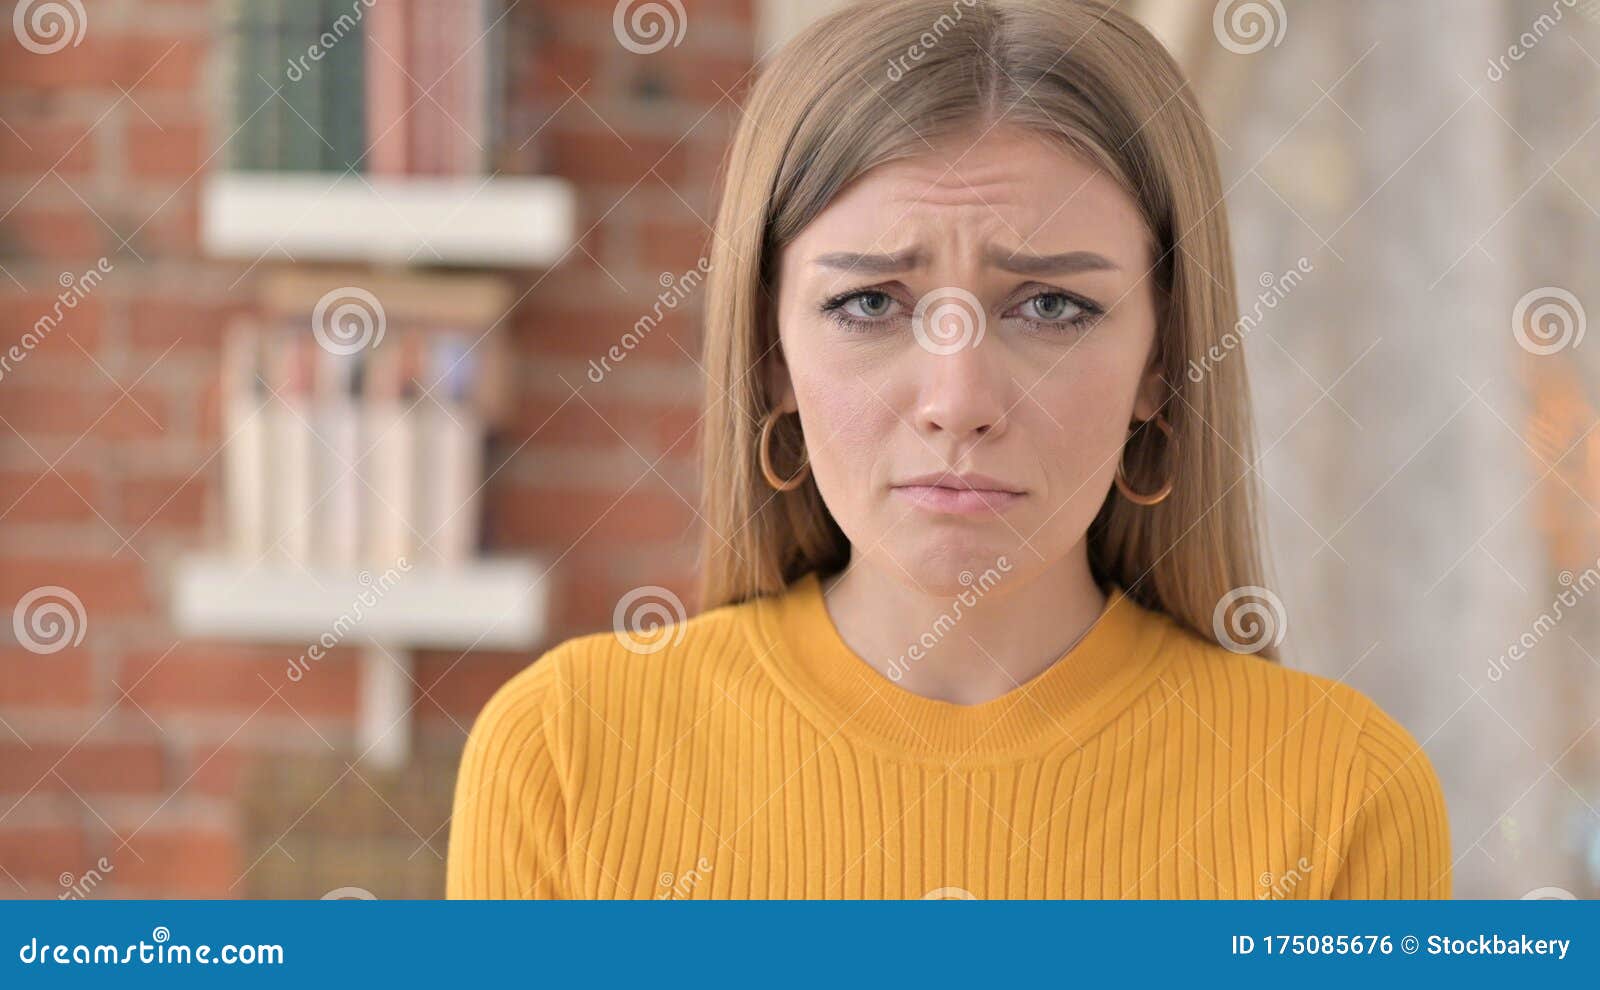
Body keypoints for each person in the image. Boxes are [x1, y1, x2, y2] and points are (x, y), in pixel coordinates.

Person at [447, 0, 1450, 899]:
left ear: (1162, 362)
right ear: (770, 359)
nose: (957, 401)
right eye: (869, 303)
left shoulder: (1342, 793)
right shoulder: (565, 754)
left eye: (1053, 306)